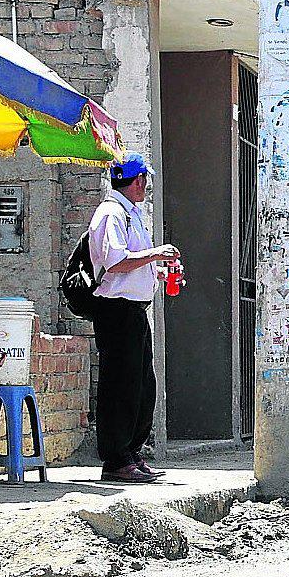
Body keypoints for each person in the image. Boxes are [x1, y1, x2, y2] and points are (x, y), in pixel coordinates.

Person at [89, 152, 181, 483]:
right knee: (120, 385)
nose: (146, 185)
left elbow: (131, 265)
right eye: (144, 179)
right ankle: (116, 459)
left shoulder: (130, 213)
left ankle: (131, 452)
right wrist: (156, 254)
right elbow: (116, 262)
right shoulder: (112, 213)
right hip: (116, 310)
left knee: (142, 385)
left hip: (133, 310)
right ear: (138, 180)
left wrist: (157, 272)